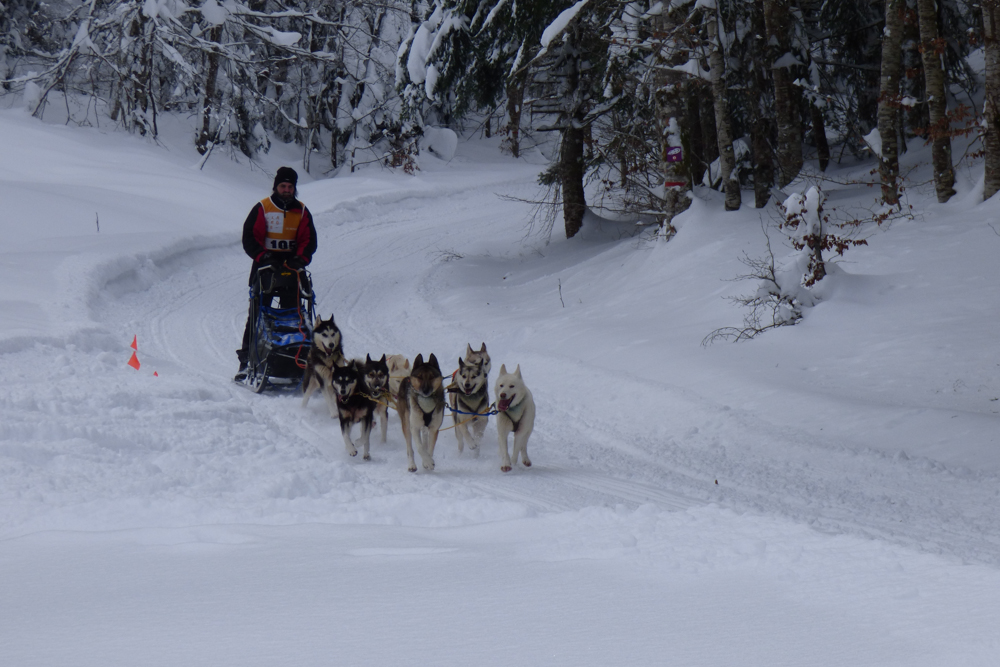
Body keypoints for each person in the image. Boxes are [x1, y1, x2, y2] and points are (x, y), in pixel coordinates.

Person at [235, 166, 318, 380]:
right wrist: (263, 256)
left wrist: (299, 259)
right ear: (276, 186)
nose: (287, 190)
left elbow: (308, 240)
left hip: (291, 271)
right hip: (266, 270)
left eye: (290, 186)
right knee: (256, 315)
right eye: (283, 186)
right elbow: (250, 238)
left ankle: (293, 360)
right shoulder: (263, 208)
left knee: (293, 317)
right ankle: (246, 362)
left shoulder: (301, 211)